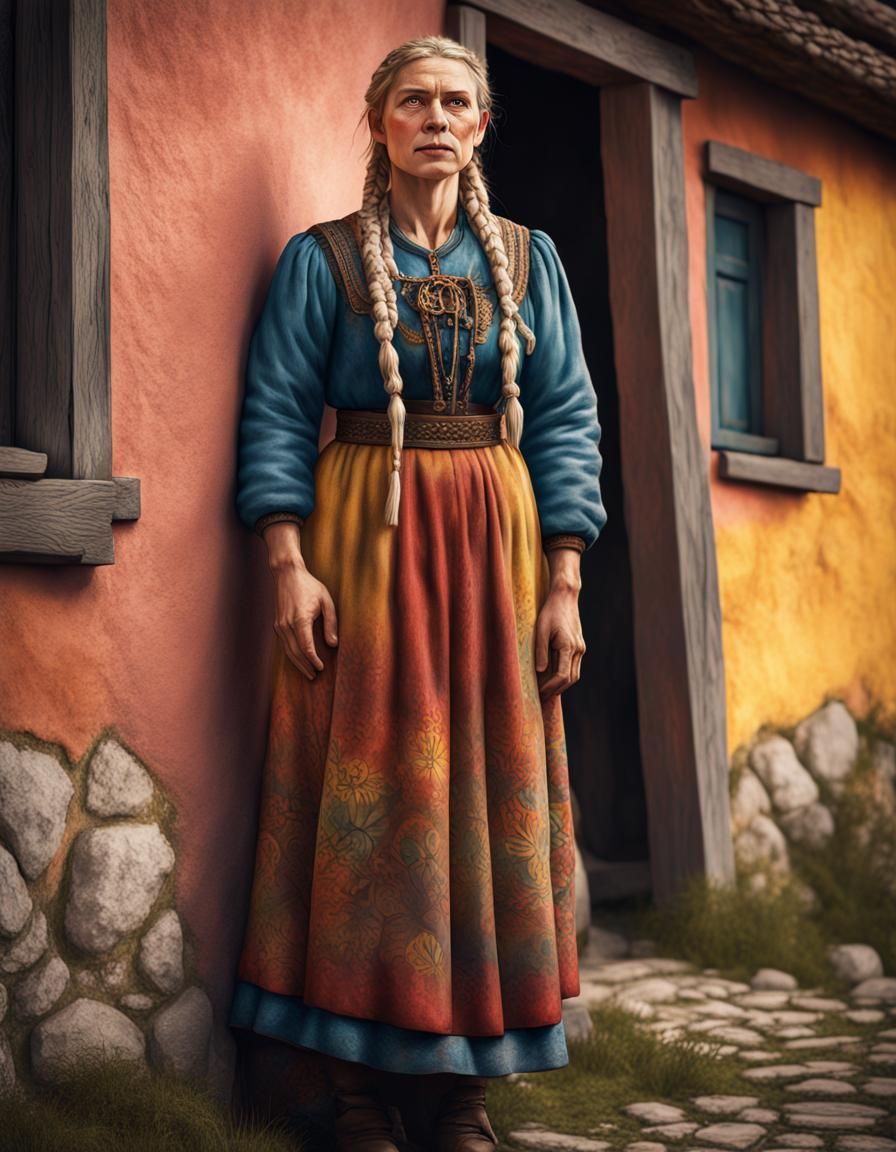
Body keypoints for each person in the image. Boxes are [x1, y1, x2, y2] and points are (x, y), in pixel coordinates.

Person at [229, 35, 608, 1152]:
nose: (434, 118)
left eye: (455, 101)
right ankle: (350, 1089)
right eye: (411, 102)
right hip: (361, 546)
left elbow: (569, 422)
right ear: (379, 121)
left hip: (495, 554)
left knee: (483, 792)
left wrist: (565, 581)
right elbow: (274, 411)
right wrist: (288, 566)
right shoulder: (321, 260)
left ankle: (460, 1091)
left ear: (480, 126)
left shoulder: (530, 266)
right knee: (372, 789)